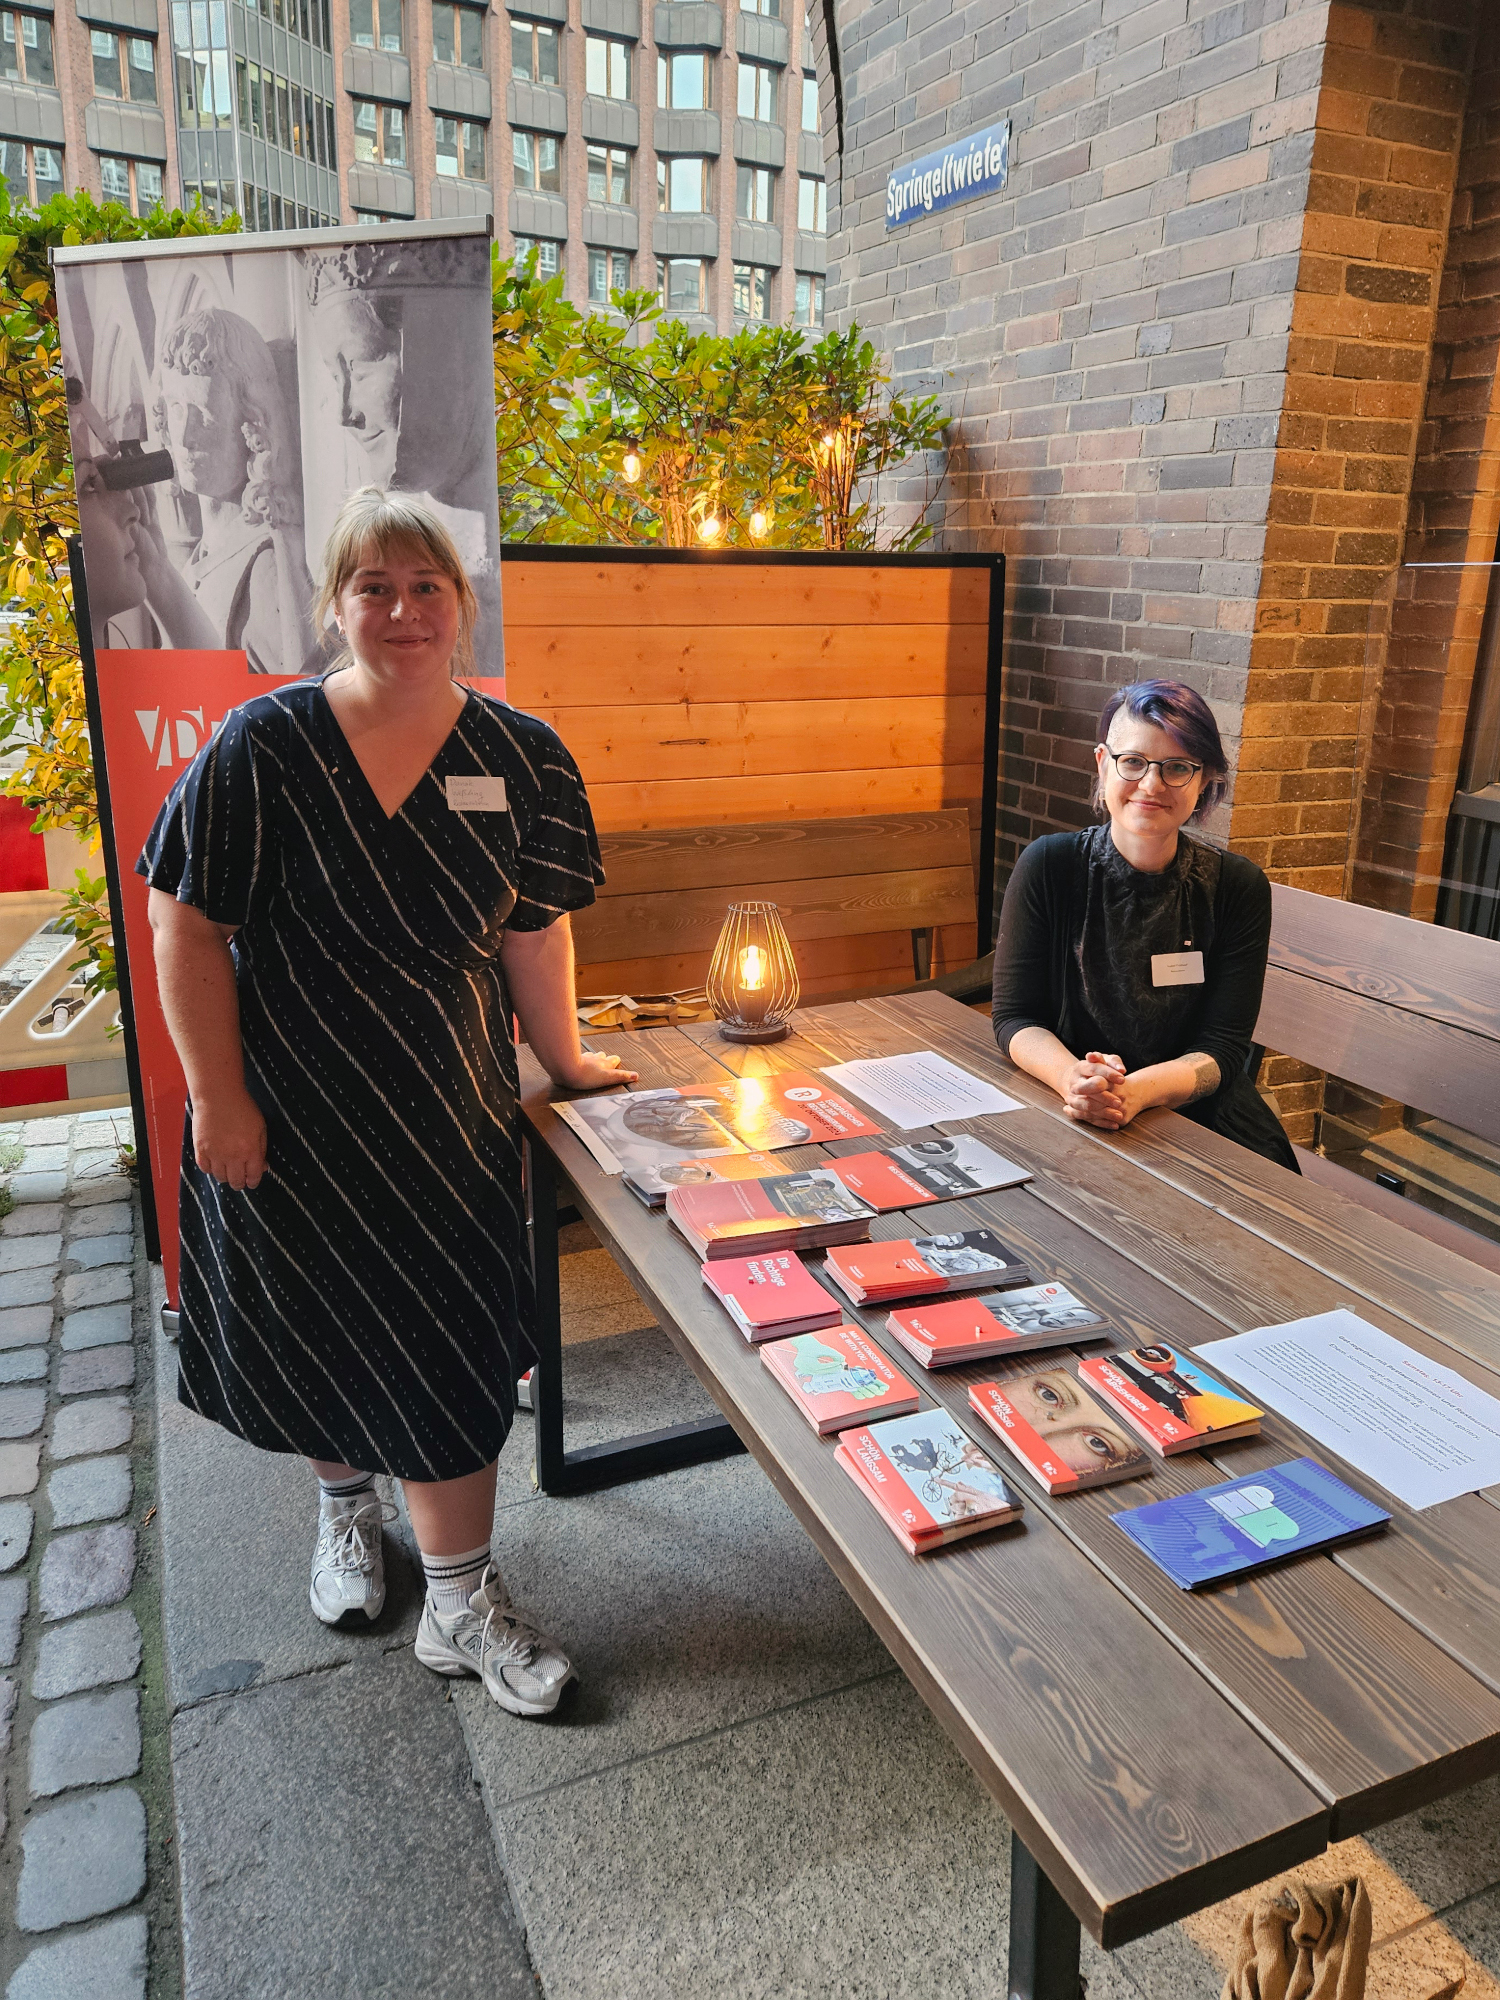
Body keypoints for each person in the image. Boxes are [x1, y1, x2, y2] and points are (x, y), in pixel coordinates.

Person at [140, 485, 634, 1719]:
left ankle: (461, 1601)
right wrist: (218, 1099)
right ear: (336, 605)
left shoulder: (520, 756)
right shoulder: (265, 746)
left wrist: (564, 1063)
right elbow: (181, 919)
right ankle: (344, 1510)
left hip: (444, 1112)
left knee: (454, 1338)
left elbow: (534, 928)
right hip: (288, 1107)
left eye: (426, 587)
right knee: (314, 1322)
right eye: (374, 587)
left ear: (461, 604)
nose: (402, 610)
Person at [991, 677, 1298, 1171]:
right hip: (1066, 1101)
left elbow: (1222, 1048)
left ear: (1204, 781)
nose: (1151, 785)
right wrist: (1075, 1080)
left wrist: (1135, 1093)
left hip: (1199, 1117)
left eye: (1177, 767)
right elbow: (1015, 1017)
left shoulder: (1237, 886)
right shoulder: (1050, 866)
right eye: (1132, 762)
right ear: (1102, 764)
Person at [153, 306, 318, 674]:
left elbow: (290, 705)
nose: (184, 437)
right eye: (177, 409)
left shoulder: (265, 564)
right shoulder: (203, 554)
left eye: (205, 413)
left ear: (251, 425)